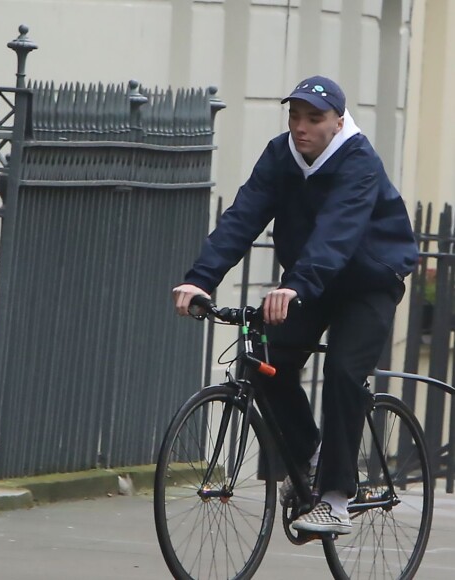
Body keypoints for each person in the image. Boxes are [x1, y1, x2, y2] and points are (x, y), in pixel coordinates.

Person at [172, 75, 418, 535]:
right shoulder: (280, 155)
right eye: (294, 116)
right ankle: (307, 456)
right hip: (312, 281)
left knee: (344, 372)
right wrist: (198, 280)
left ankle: (336, 497)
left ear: (338, 121)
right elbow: (242, 216)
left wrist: (297, 283)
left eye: (314, 118)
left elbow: (337, 231)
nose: (300, 127)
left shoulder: (358, 159)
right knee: (265, 359)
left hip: (369, 281)